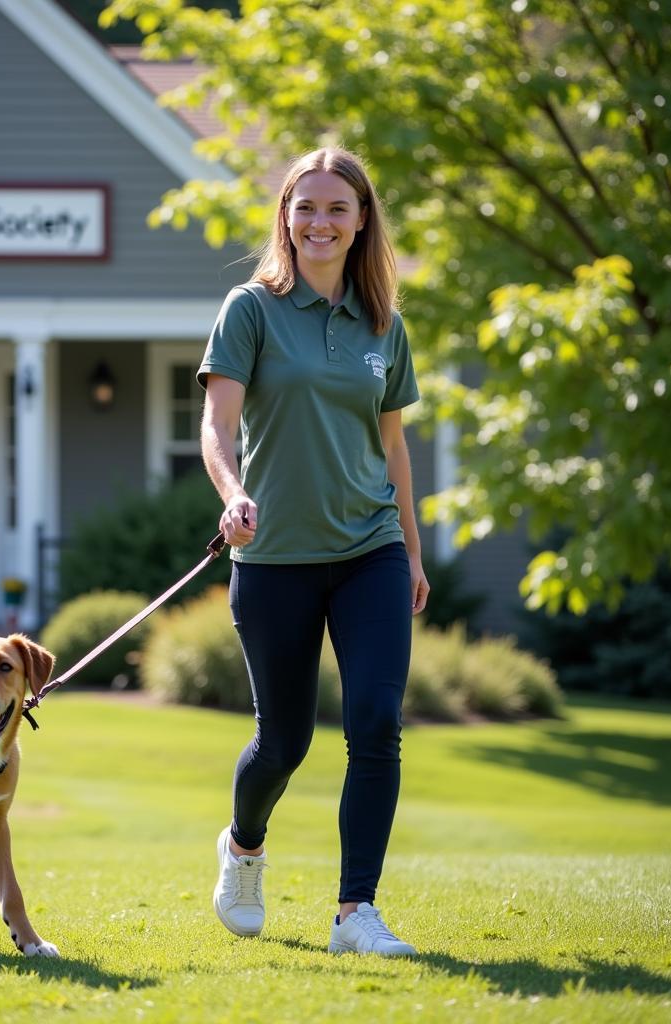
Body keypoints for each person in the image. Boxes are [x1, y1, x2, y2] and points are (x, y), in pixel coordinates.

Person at [198, 146, 429, 957]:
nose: (320, 222)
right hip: (273, 560)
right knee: (284, 742)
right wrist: (233, 495)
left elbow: (393, 448)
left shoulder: (383, 325)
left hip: (369, 549)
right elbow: (216, 429)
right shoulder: (250, 310)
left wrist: (411, 551)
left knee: (374, 723)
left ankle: (354, 913)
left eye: (338, 208)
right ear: (286, 218)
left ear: (362, 220)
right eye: (307, 207)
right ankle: (244, 846)